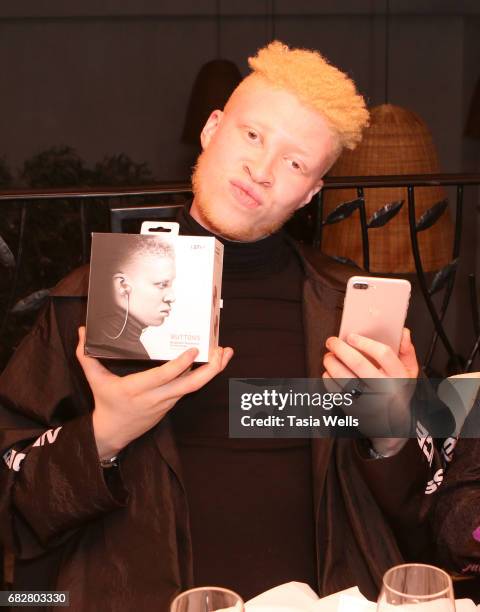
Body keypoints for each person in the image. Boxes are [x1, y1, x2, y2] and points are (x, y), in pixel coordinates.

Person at [0, 41, 437, 611]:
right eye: (252, 136)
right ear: (211, 130)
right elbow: (13, 500)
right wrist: (105, 433)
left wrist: (391, 433)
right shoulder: (92, 297)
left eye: (296, 162)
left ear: (311, 192)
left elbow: (436, 517)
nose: (261, 169)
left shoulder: (339, 308)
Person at [86, 233, 176, 359]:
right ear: (122, 285)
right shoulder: (107, 348)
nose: (171, 297)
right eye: (162, 284)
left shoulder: (116, 342)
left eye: (170, 285)